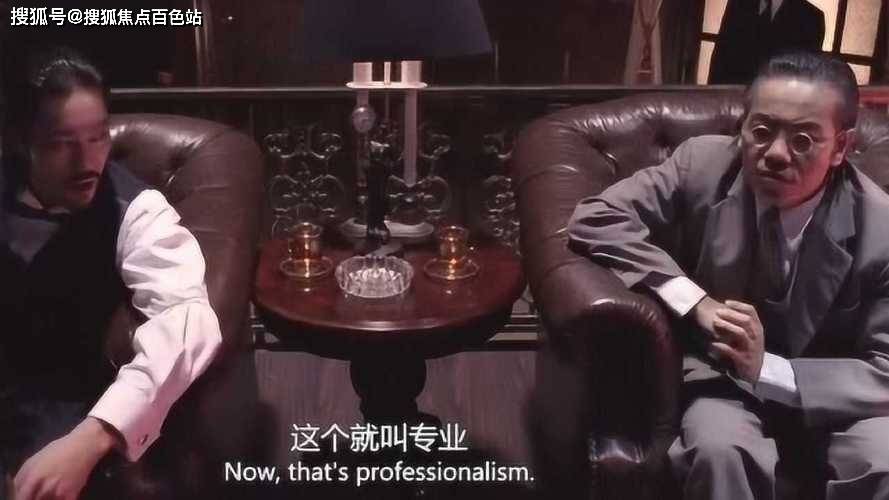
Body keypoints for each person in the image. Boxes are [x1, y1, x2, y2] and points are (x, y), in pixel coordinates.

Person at [568, 51, 889, 499]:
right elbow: (596, 218)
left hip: (838, 395)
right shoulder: (702, 165)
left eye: (802, 140)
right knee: (719, 450)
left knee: (884, 462)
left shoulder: (881, 226)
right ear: (743, 125)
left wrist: (772, 370)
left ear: (841, 147)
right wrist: (694, 301)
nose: (775, 154)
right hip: (724, 379)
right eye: (762, 131)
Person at [0, 47, 222, 499]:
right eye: (62, 143)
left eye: (98, 137)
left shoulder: (133, 210)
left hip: (57, 415)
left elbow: (187, 320)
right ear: (20, 140)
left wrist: (94, 436)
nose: (87, 162)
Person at [709, 0, 824, 84]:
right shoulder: (739, 5)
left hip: (780, 103)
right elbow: (720, 59)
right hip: (731, 100)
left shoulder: (810, 18)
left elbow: (806, 77)